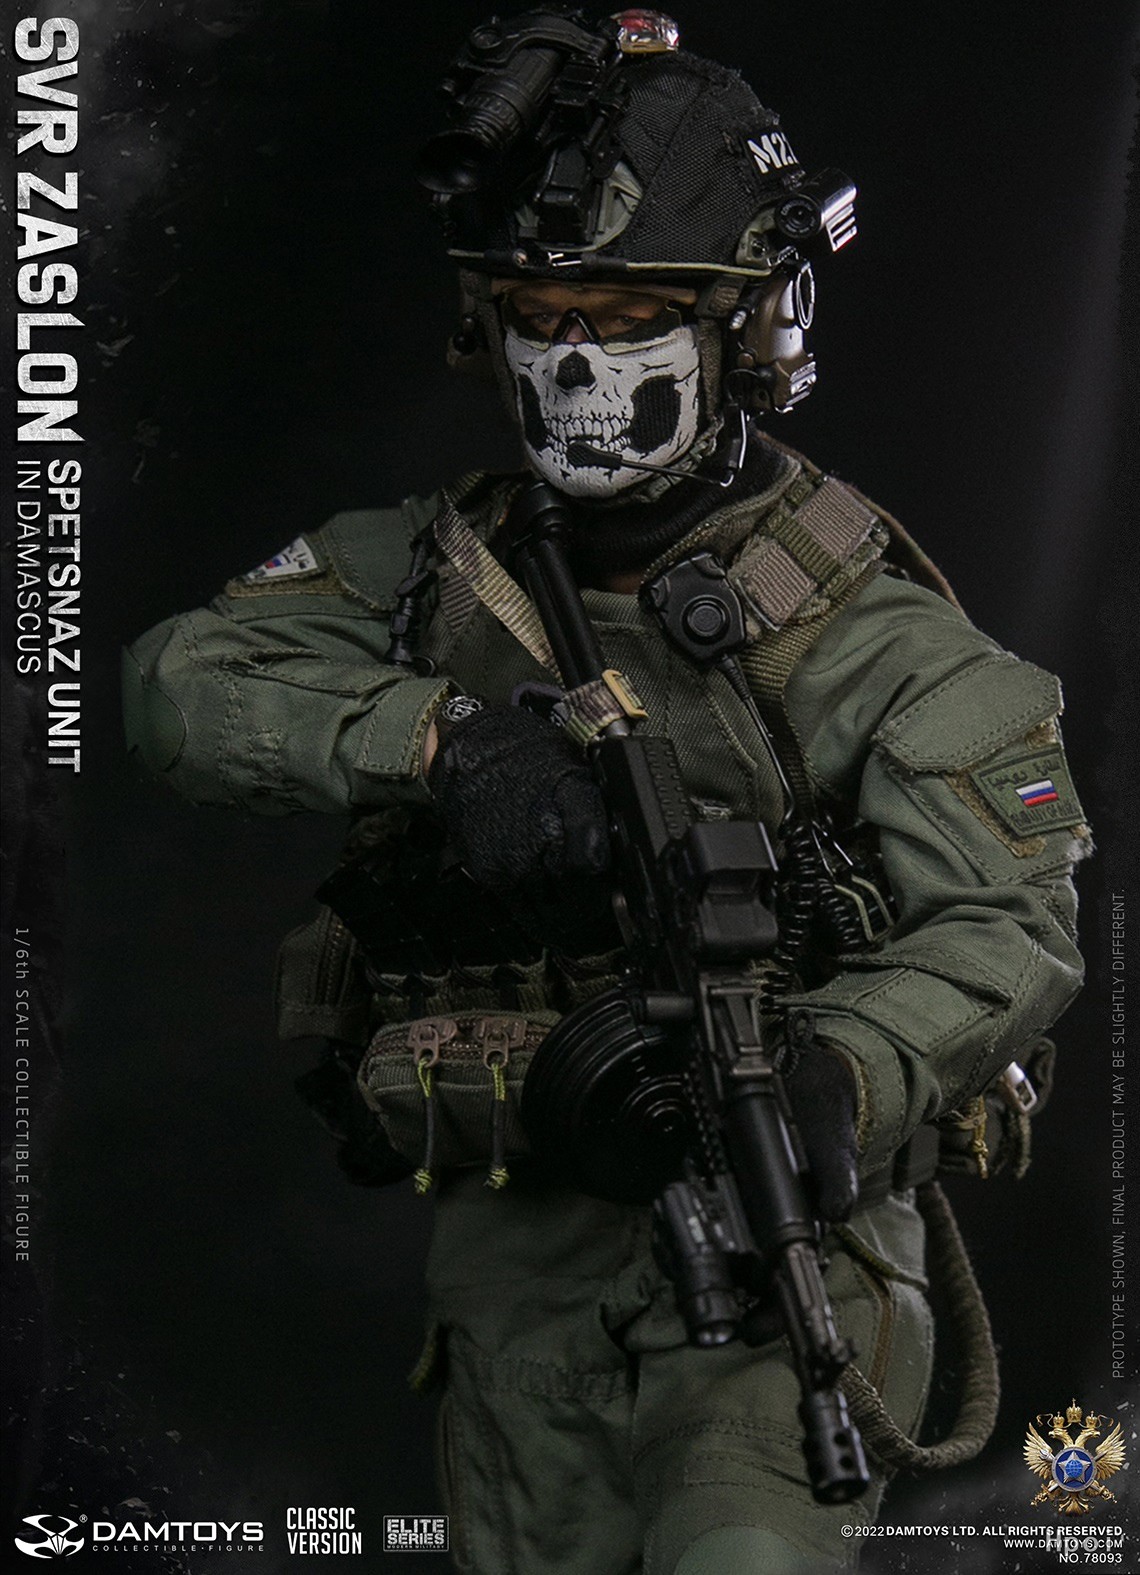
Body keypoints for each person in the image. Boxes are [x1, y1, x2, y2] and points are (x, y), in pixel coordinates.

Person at [122, 11, 1089, 1571]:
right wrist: (441, 742)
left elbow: (1012, 927)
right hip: (519, 1270)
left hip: (789, 1250)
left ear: (748, 329)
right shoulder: (435, 573)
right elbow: (178, 683)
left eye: (631, 312)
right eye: (540, 311)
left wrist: (843, 1070)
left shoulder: (871, 637)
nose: (577, 356)